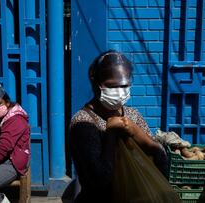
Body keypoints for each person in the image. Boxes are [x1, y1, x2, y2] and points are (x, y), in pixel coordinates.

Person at [69, 50, 168, 203]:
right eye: (112, 86)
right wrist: (111, 133)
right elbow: (100, 180)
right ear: (96, 84)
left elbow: (161, 161)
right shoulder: (84, 122)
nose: (120, 92)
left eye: (125, 85)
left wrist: (135, 132)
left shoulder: (132, 115)